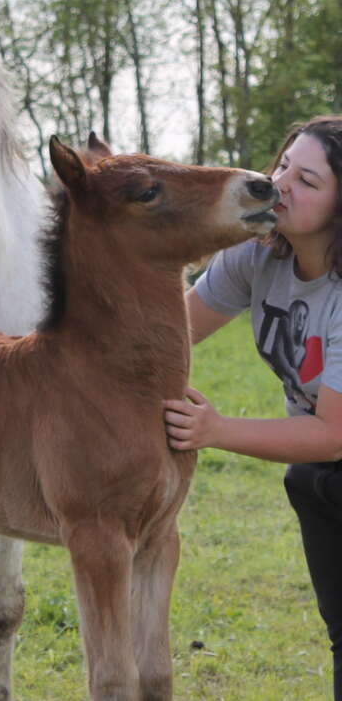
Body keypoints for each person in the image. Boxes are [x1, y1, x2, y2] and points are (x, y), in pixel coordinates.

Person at [163, 115, 342, 699]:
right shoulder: (259, 256)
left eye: (308, 181)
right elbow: (170, 336)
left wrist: (215, 428)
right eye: (283, 165)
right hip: (318, 478)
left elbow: (333, 435)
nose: (281, 184)